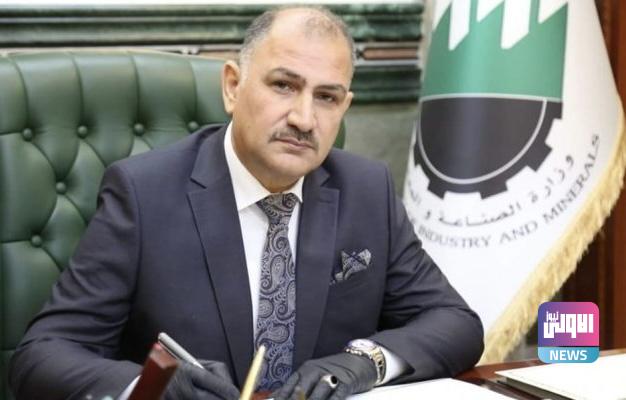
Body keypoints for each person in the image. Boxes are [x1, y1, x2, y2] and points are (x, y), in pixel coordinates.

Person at [9, 6, 484, 400]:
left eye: (326, 97)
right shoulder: (143, 193)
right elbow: (43, 355)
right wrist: (153, 387)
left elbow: (455, 323)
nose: (304, 118)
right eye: (283, 85)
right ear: (233, 86)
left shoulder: (367, 190)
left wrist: (365, 361)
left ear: (345, 106)